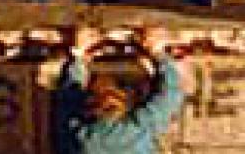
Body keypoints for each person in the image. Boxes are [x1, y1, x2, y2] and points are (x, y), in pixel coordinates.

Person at [55, 24, 184, 153]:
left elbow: (170, 97)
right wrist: (78, 55)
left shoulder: (82, 135)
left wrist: (157, 51)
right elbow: (169, 96)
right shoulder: (79, 134)